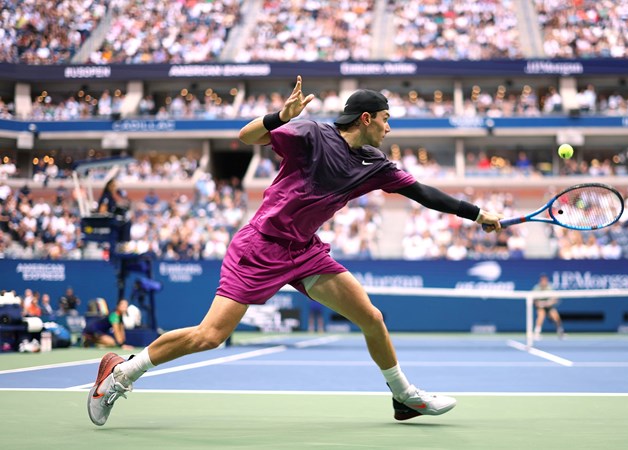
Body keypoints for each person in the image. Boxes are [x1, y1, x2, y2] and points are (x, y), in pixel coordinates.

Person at [86, 76, 503, 426]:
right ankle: (121, 372)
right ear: (367, 118)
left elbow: (424, 193)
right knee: (210, 336)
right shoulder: (311, 134)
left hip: (304, 252)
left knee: (371, 317)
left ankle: (404, 397)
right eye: (386, 119)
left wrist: (476, 213)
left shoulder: (375, 164)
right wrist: (281, 117)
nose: (389, 129)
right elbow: (246, 136)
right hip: (260, 247)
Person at [532, 273, 565, 340]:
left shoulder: (550, 287)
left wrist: (549, 303)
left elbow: (555, 299)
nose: (544, 282)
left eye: (545, 280)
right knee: (541, 315)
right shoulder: (536, 288)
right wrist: (539, 304)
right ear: (540, 281)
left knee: (556, 316)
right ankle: (536, 333)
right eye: (542, 280)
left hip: (549, 307)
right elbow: (533, 300)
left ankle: (560, 331)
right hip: (540, 307)